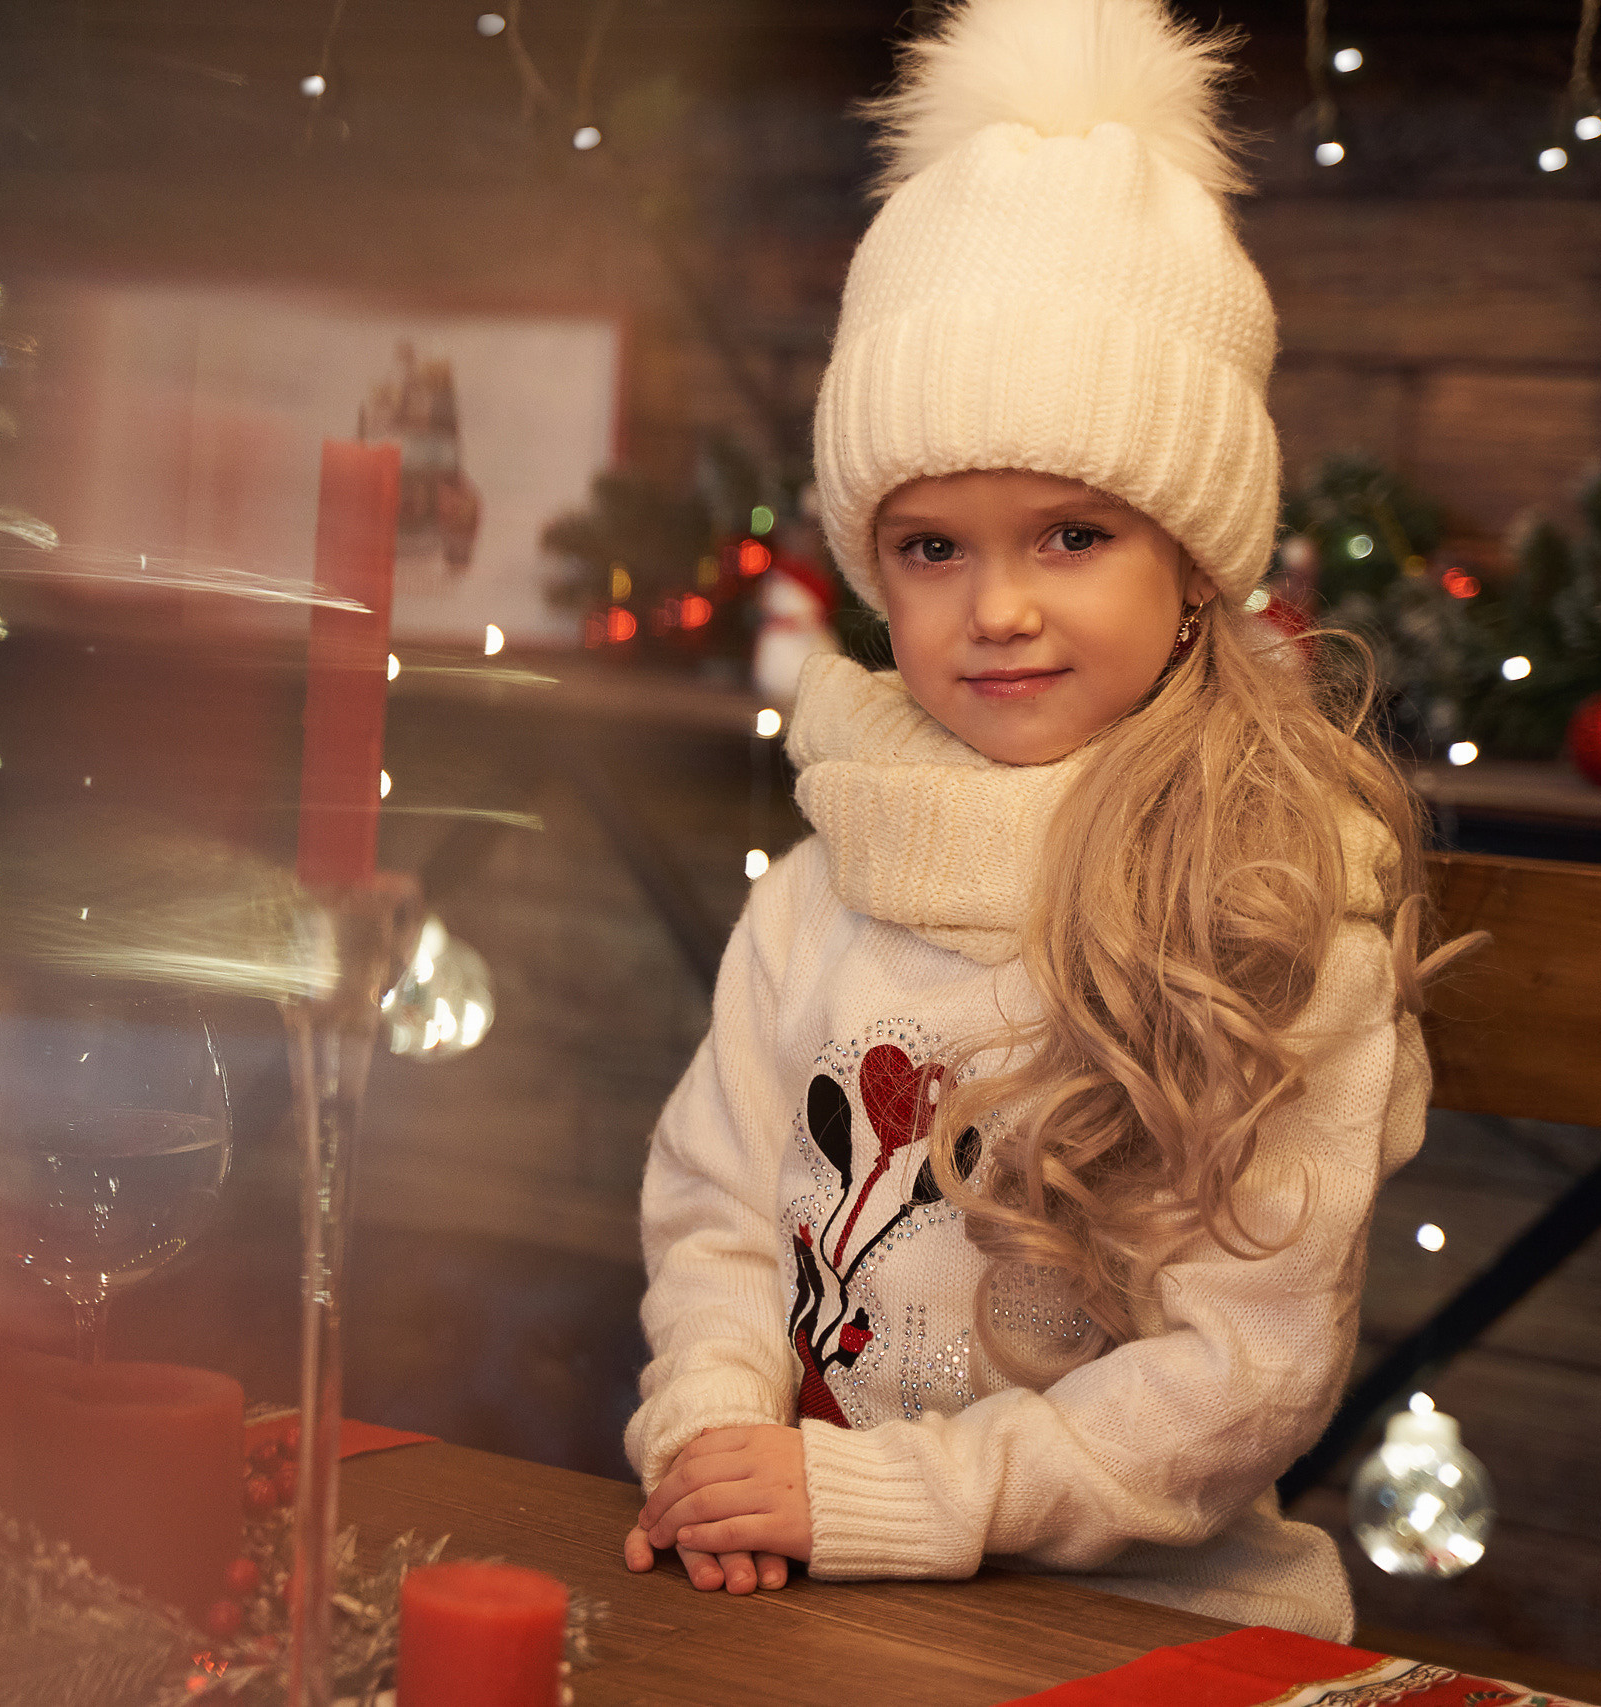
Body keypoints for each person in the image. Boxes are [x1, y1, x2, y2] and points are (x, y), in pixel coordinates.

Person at [617, 0, 1475, 1640]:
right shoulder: (824, 880)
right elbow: (718, 1209)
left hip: (1157, 1628)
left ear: (1194, 559)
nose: (995, 607)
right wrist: (718, 1436)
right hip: (813, 1593)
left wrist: (899, 1500)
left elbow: (1243, 1375)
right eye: (932, 548)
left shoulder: (1266, 909)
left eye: (1071, 534)